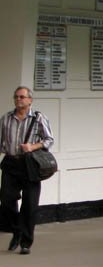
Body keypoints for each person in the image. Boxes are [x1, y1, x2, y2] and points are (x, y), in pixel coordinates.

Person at [0, 86, 55, 254]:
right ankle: (16, 230)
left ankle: (25, 242)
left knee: (30, 204)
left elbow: (49, 140)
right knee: (7, 200)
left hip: (29, 165)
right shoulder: (6, 118)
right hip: (11, 163)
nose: (19, 100)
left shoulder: (38, 118)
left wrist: (32, 146)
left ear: (30, 100)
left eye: (22, 97)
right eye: (16, 97)